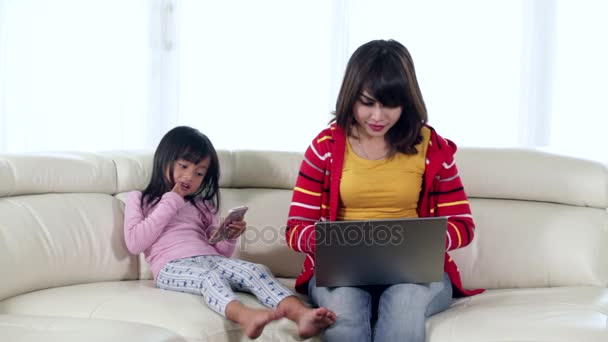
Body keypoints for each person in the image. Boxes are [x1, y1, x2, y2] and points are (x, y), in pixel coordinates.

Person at [285, 39, 484, 342]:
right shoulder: (324, 148)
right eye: (367, 103)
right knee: (343, 310)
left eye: (390, 104)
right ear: (351, 98)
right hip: (341, 276)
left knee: (404, 302)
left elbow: (463, 226)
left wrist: (419, 242)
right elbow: (295, 230)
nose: (377, 116)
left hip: (415, 276)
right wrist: (335, 242)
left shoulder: (432, 147)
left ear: (407, 101)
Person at [124, 126, 336, 340]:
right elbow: (135, 242)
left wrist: (229, 235)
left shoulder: (201, 205)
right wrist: (172, 200)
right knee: (210, 277)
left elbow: (220, 253)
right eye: (183, 166)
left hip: (209, 257)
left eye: (199, 173)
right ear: (164, 159)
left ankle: (301, 314)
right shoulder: (139, 199)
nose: (189, 176)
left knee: (255, 270)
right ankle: (246, 316)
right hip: (170, 266)